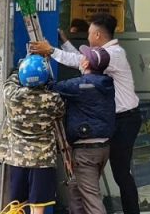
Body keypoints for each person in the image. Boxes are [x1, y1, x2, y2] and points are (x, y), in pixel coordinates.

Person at [31, 14, 141, 214]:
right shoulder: (102, 57)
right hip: (112, 121)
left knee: (121, 174)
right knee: (87, 183)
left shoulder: (112, 54)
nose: (88, 37)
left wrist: (51, 50)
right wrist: (64, 42)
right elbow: (85, 63)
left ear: (98, 35)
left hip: (124, 119)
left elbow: (82, 61)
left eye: (89, 33)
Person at [0, 55, 65, 214]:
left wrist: (19, 67)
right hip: (43, 160)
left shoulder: (12, 96)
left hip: (18, 159)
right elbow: (60, 113)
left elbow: (9, 82)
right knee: (38, 205)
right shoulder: (53, 99)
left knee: (17, 205)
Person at [52, 46, 116, 214]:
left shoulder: (83, 85)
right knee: (76, 190)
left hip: (87, 151)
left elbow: (54, 88)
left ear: (86, 63)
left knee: (91, 199)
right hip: (102, 147)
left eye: (83, 57)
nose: (80, 58)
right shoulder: (105, 84)